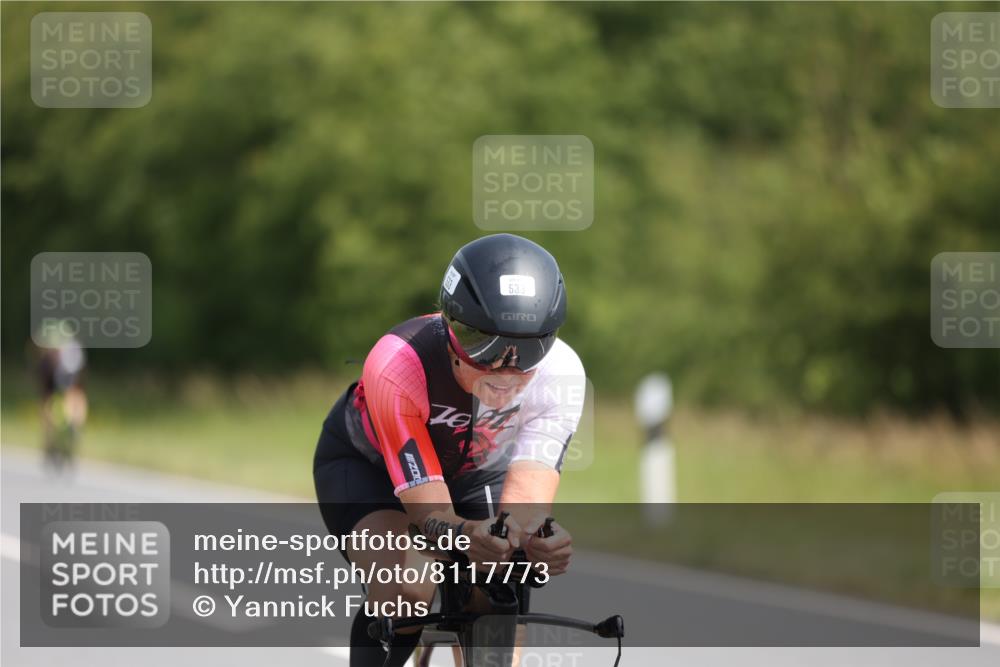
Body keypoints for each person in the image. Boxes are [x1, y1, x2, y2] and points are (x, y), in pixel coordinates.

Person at [314, 233, 584, 666]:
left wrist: (535, 541)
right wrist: (465, 537)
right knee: (406, 590)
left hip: (476, 471)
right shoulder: (399, 361)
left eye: (529, 348)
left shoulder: (561, 373)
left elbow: (525, 506)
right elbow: (429, 517)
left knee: (499, 593)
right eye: (483, 345)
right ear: (450, 327)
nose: (505, 369)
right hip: (371, 467)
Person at [34, 323, 88, 473]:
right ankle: (73, 426)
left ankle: (54, 439)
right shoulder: (73, 351)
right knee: (74, 395)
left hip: (61, 374)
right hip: (66, 372)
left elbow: (46, 391)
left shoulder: (48, 357)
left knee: (50, 400)